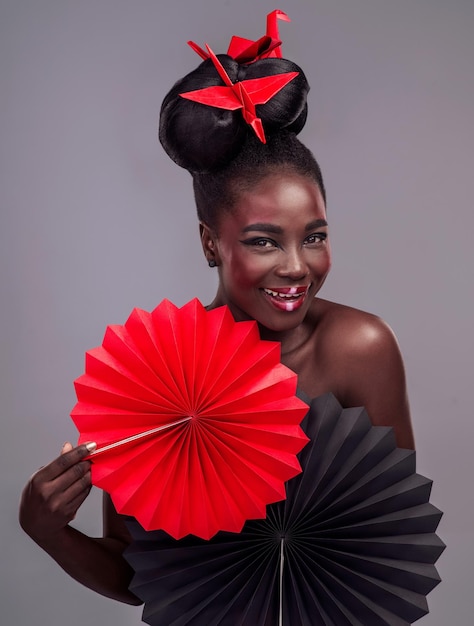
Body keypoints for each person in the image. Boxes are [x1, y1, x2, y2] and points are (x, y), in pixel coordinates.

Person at [19, 23, 414, 610]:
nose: (296, 267)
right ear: (211, 244)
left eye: (315, 236)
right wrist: (48, 533)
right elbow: (141, 578)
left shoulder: (358, 348)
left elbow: (388, 550)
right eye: (263, 241)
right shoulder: (152, 376)